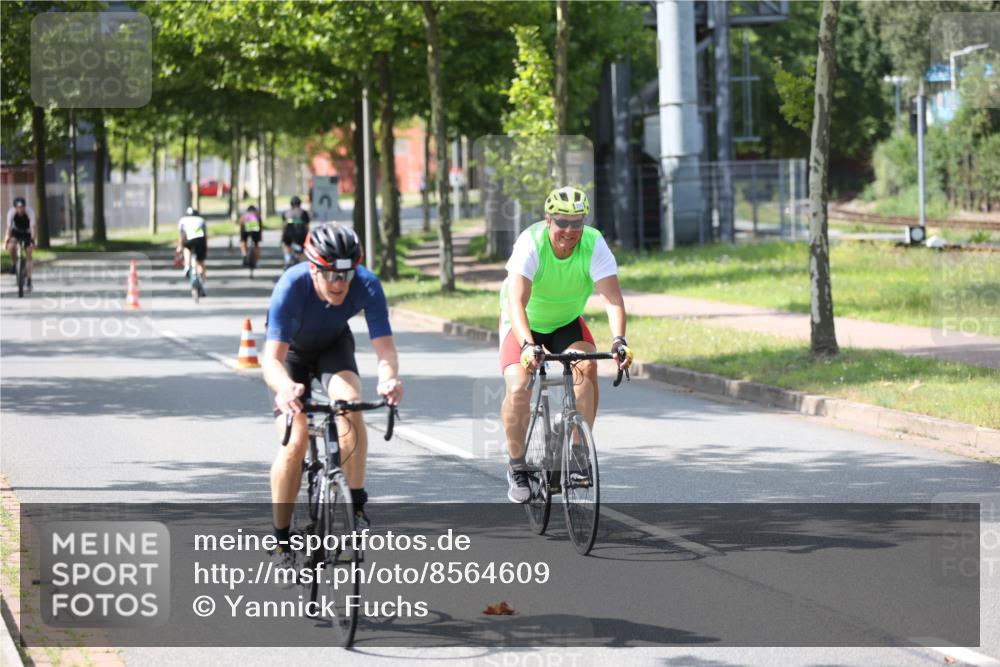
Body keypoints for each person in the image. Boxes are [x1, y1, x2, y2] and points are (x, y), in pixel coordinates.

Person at [263, 222, 403, 563]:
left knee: (350, 405)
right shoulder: (291, 286)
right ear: (313, 269)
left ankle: (355, 504)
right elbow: (271, 360)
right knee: (295, 439)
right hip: (291, 357)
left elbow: (385, 350)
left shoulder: (367, 284)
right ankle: (281, 540)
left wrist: (388, 380)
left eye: (346, 274)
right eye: (330, 275)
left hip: (333, 347)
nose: (340, 284)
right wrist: (284, 387)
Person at [498, 186, 634, 503]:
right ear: (549, 220)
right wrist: (527, 345)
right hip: (524, 322)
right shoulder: (531, 243)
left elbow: (613, 300)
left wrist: (619, 340)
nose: (569, 231)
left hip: (565, 321)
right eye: (562, 222)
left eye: (577, 222)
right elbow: (516, 303)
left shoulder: (593, 243)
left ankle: (578, 453)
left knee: (587, 367)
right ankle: (517, 465)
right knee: (519, 387)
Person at [5, 197, 36, 288]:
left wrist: (33, 240)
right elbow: (9, 228)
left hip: (27, 232)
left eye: (22, 207)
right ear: (15, 208)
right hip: (16, 232)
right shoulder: (11, 213)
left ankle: (29, 279)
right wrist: (6, 241)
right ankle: (14, 264)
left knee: (29, 252)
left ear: (25, 207)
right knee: (11, 246)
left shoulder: (30, 212)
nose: (20, 210)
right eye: (18, 208)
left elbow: (33, 227)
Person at [177, 206, 208, 289]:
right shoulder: (201, 220)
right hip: (200, 240)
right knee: (200, 262)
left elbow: (181, 235)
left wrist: (179, 246)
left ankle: (187, 265)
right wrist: (205, 248)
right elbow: (205, 235)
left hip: (188, 239)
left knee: (186, 248)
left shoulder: (183, 220)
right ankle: (202, 283)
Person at [280, 195, 310, 270]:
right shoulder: (304, 213)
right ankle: (303, 266)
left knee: (286, 246)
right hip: (301, 234)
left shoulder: (286, 213)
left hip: (288, 235)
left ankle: (287, 260)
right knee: (302, 251)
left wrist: (282, 237)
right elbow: (306, 226)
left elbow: (284, 226)